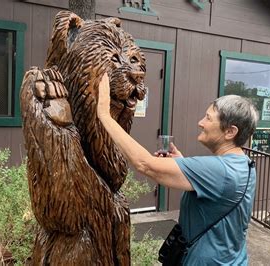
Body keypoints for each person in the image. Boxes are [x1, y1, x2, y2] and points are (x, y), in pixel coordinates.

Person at [97, 73, 259, 265]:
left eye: (208, 118)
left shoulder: (221, 171)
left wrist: (104, 115)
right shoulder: (244, 165)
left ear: (230, 132)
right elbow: (217, 193)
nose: (200, 123)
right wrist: (182, 163)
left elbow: (145, 164)